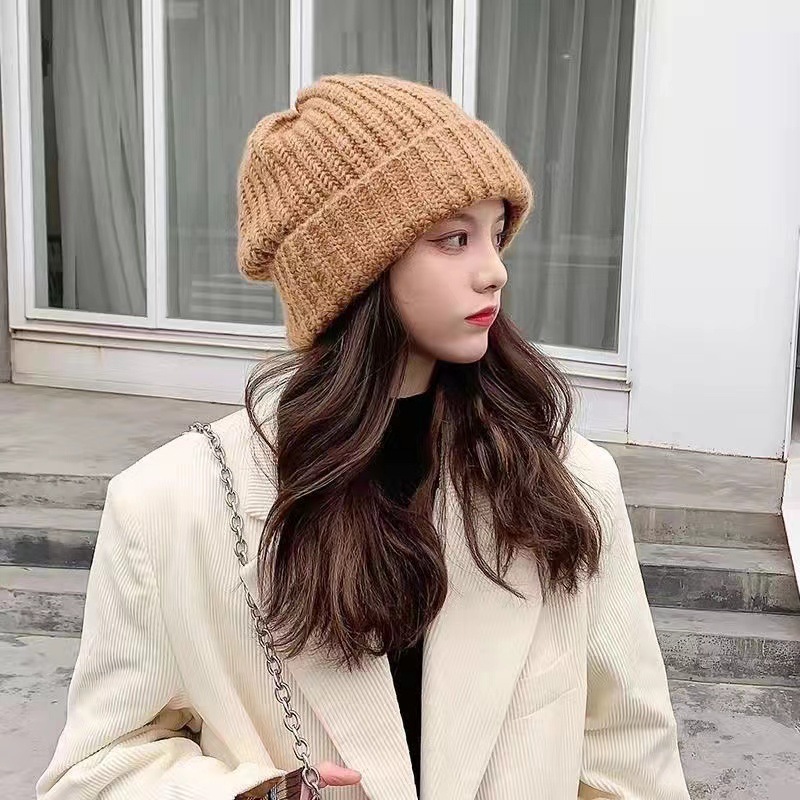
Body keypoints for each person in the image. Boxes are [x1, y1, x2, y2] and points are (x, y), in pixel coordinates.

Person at [37, 74, 690, 800]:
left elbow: (631, 759)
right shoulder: (168, 507)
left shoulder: (564, 481)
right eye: (454, 239)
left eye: (495, 233)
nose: (494, 271)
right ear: (354, 268)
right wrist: (252, 795)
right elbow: (94, 772)